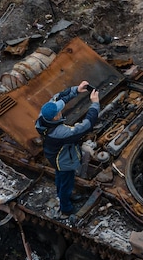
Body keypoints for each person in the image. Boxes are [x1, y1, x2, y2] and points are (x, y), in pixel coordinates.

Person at [35, 80, 100, 217]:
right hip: (62, 160)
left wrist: (77, 89)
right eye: (59, 111)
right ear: (56, 116)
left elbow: (59, 97)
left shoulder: (43, 115)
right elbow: (86, 125)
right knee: (66, 182)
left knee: (61, 178)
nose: (61, 110)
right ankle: (66, 208)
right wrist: (95, 104)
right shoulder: (61, 133)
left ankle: (63, 196)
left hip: (53, 154)